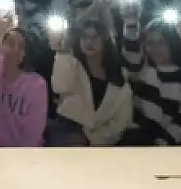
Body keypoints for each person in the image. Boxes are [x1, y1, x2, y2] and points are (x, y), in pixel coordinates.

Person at [119, 17, 181, 145]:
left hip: (174, 144)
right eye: (150, 43)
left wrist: (161, 143)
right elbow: (130, 57)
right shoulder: (143, 66)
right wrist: (131, 23)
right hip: (138, 138)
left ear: (173, 42)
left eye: (161, 42)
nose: (155, 48)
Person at [49, 16, 133, 146]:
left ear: (105, 41)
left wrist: (93, 139)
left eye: (95, 37)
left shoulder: (119, 76)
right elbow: (60, 86)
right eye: (85, 37)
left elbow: (121, 121)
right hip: (67, 129)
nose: (89, 42)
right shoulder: (71, 64)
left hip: (101, 137)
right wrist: (62, 52)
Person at [0, 7, 48, 147]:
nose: (15, 50)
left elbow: (34, 131)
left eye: (21, 46)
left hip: (20, 155)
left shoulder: (36, 84)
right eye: (10, 43)